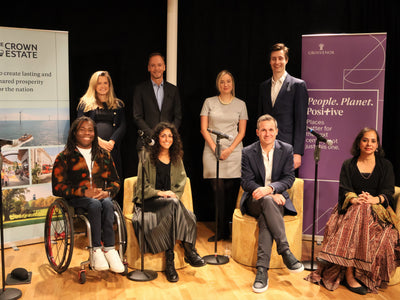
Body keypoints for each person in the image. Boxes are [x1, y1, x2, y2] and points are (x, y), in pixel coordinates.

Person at [306, 128, 400, 295]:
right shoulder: (348, 164)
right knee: (359, 209)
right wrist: (355, 199)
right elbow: (344, 190)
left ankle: (353, 272)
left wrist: (373, 200)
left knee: (362, 210)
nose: (368, 144)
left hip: (378, 212)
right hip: (351, 208)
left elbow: (388, 192)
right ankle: (349, 273)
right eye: (365, 140)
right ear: (359, 143)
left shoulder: (385, 165)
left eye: (372, 141)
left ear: (377, 144)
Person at [132, 122, 205, 282]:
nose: (167, 139)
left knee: (172, 206)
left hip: (169, 204)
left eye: (170, 136)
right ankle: (189, 249)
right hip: (149, 202)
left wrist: (173, 195)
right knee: (174, 205)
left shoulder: (176, 158)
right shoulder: (146, 156)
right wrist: (161, 193)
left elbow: (181, 182)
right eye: (163, 135)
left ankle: (170, 261)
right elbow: (141, 187)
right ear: (157, 137)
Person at [52, 116, 125, 273]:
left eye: (90, 130)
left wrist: (107, 192)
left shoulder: (103, 155)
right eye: (82, 129)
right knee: (95, 203)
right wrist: (83, 191)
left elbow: (116, 182)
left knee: (106, 202)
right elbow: (57, 188)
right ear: (74, 133)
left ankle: (110, 249)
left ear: (95, 133)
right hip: (77, 200)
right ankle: (96, 249)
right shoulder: (64, 157)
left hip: (99, 198)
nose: (87, 133)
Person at [240, 114, 304, 293]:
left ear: (276, 132)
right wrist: (265, 192)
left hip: (275, 199)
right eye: (263, 130)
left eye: (270, 130)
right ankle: (285, 252)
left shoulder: (287, 149)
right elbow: (246, 181)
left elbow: (289, 178)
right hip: (254, 199)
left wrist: (271, 190)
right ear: (257, 132)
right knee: (267, 202)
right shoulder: (247, 152)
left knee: (266, 219)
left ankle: (262, 271)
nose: (267, 133)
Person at [200, 70, 248, 242]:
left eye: (228, 81)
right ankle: (220, 230)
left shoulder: (241, 104)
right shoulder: (209, 102)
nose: (225, 84)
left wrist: (229, 150)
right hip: (212, 151)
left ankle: (228, 229)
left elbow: (242, 132)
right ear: (218, 84)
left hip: (233, 152)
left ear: (232, 84)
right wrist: (215, 148)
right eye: (222, 82)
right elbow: (203, 128)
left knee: (231, 192)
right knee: (217, 191)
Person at [258, 43, 308, 169]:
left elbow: (300, 122)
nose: (277, 62)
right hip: (266, 146)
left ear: (286, 60)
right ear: (270, 61)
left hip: (287, 148)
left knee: (283, 187)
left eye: (280, 58)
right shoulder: (263, 87)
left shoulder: (298, 85)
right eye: (274, 58)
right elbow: (260, 118)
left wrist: (297, 153)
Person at [77, 71, 126, 183]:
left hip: (112, 149)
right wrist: (98, 141)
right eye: (99, 83)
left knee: (114, 180)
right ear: (94, 85)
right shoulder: (84, 104)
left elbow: (122, 126)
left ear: (109, 85)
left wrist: (112, 142)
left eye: (105, 83)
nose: (103, 86)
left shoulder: (118, 104)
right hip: (92, 149)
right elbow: (80, 126)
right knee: (95, 181)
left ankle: (114, 201)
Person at [133, 53, 182, 149]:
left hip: (168, 144)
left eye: (159, 65)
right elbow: (137, 117)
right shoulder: (140, 89)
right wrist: (154, 135)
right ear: (148, 68)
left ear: (164, 67)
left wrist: (167, 135)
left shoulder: (173, 90)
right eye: (153, 65)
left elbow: (178, 117)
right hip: (147, 143)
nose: (156, 69)